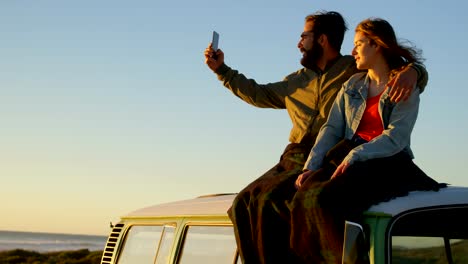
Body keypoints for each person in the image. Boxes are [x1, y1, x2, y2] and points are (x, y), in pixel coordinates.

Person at [204, 11, 428, 264]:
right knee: (244, 202)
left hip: (344, 153)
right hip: (302, 153)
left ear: (321, 39)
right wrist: (222, 70)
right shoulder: (300, 82)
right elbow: (259, 93)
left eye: (304, 36)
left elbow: (390, 71)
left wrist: (415, 71)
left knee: (293, 199)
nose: (299, 43)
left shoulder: (351, 69)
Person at [290, 17, 443, 263]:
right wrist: (312, 165)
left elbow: (396, 137)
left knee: (328, 199)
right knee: (302, 194)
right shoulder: (353, 84)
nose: (353, 51)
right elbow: (331, 128)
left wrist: (356, 154)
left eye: (359, 44)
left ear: (377, 45)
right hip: (350, 157)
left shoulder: (403, 85)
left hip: (388, 162)